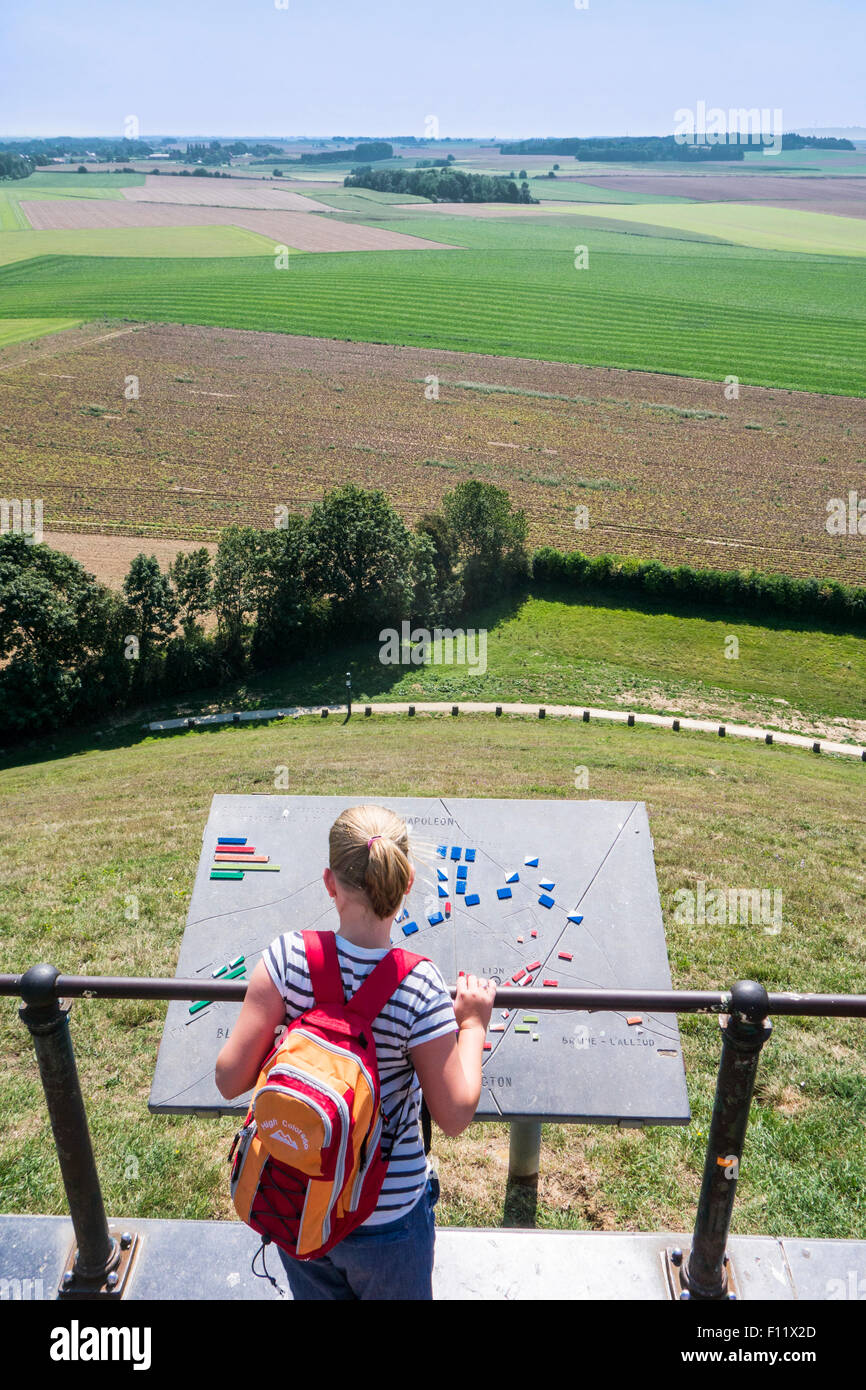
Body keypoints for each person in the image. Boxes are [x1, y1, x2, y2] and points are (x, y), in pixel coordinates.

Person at [215, 803, 495, 1300]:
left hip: (299, 1197)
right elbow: (453, 1115)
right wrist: (471, 1024)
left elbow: (230, 1078)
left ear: (329, 882)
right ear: (406, 882)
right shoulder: (421, 986)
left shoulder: (287, 958)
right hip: (388, 1217)